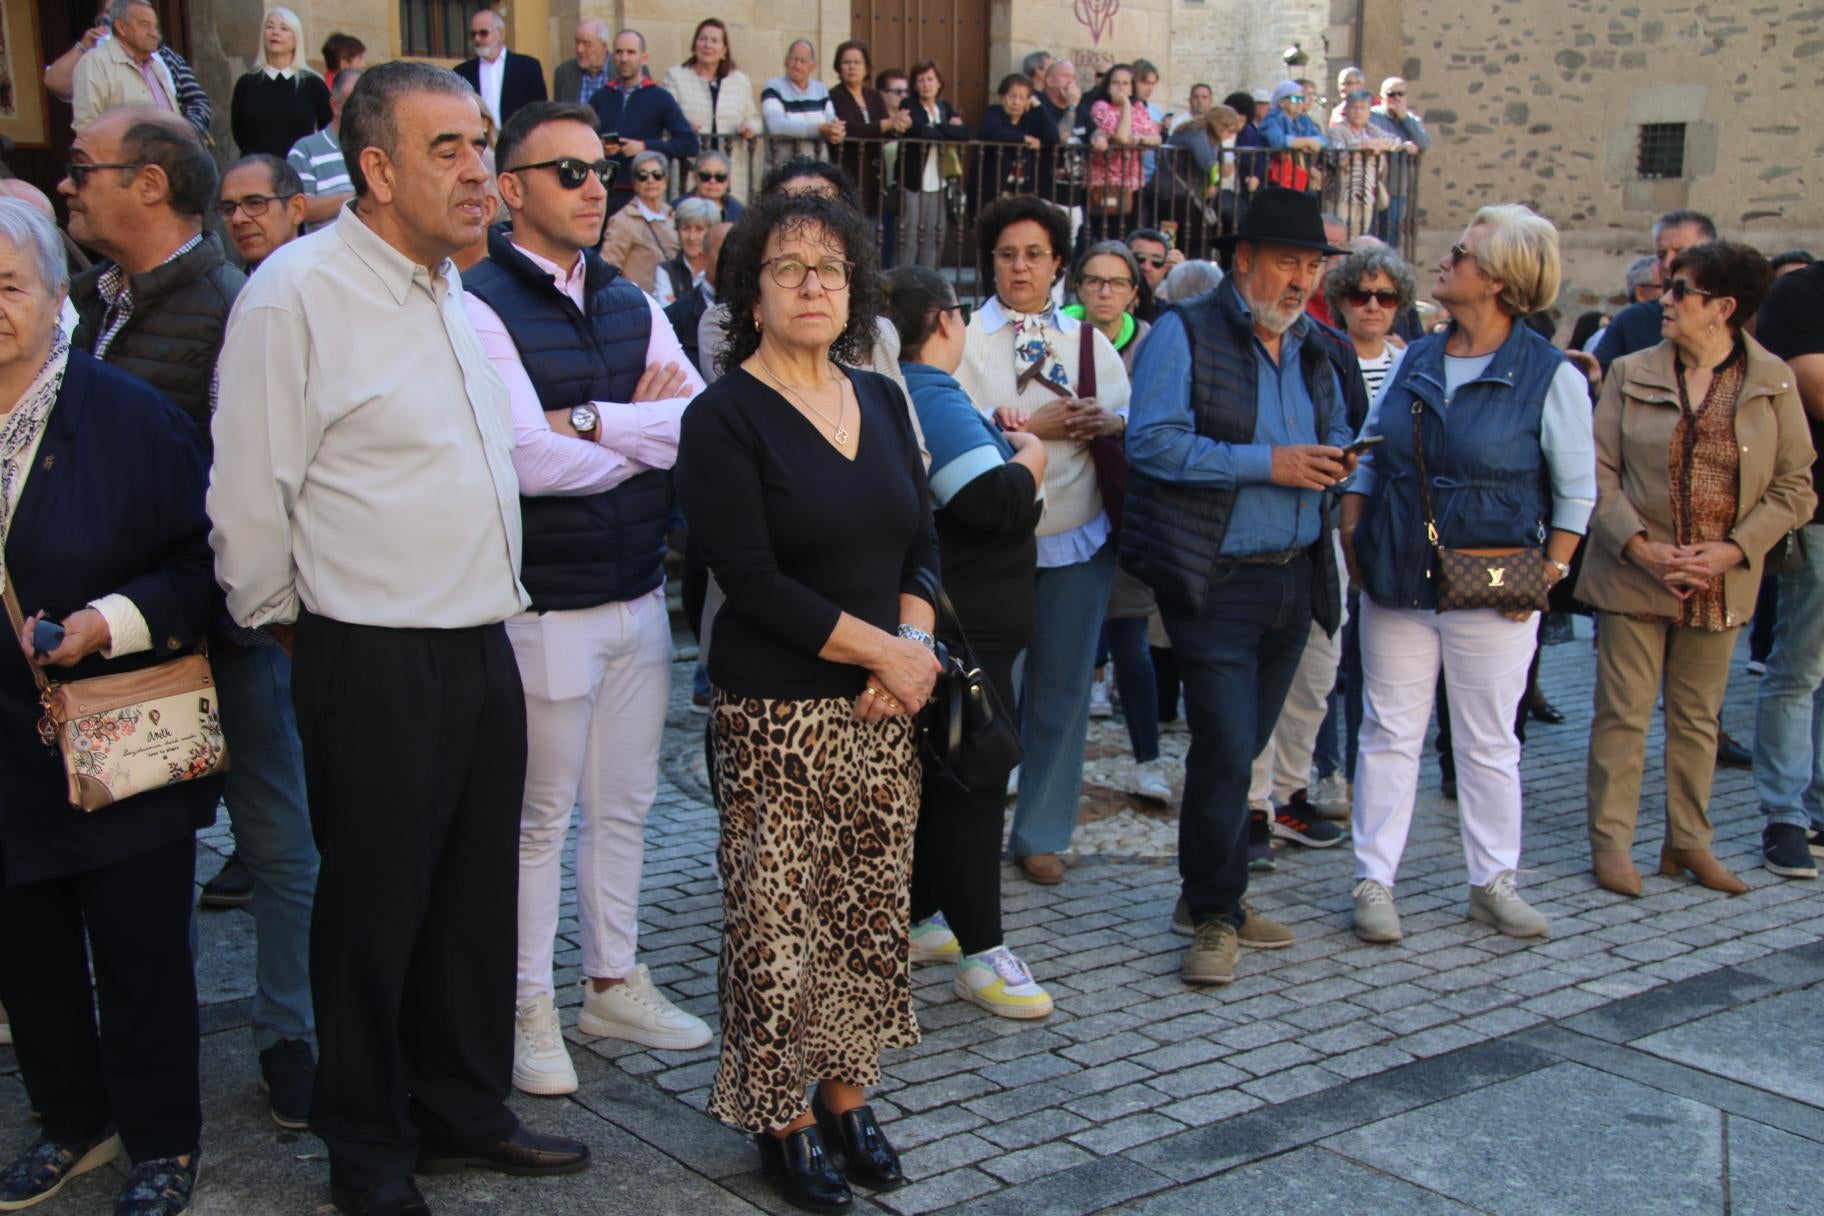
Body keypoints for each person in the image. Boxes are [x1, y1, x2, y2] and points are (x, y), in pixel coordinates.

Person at [209, 62, 591, 1215]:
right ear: (375, 169)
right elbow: (246, 506)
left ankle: (461, 1109)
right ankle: (369, 1152)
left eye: (482, 146)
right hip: (368, 654)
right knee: (373, 916)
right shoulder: (294, 295)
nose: (481, 171)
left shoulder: (455, 300)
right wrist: (295, 631)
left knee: (471, 905)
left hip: (481, 642)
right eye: (450, 151)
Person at [674, 190, 940, 1211]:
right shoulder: (723, 416)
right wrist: (894, 655)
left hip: (883, 709)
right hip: (778, 712)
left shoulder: (876, 397)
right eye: (788, 267)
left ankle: (847, 1092)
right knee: (777, 920)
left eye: (830, 267)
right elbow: (750, 577)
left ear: (857, 286)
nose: (813, 284)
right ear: (752, 291)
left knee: (869, 914)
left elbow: (922, 537)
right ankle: (779, 1116)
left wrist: (909, 647)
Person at [462, 100, 710, 1098]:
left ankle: (612, 978)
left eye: (599, 166)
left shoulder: (628, 296)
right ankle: (526, 1002)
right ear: (511, 189)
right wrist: (631, 439)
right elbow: (524, 459)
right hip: (543, 603)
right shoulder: (476, 301)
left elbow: (695, 420)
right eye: (564, 170)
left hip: (637, 589)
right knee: (539, 816)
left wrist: (597, 419)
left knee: (627, 804)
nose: (592, 184)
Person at [0, 196, 222, 1216]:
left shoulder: (133, 418)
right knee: (26, 952)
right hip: (4, 750)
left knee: (139, 950)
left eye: (8, 286)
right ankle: (70, 1119)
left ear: (60, 297)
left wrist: (104, 621)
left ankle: (163, 1140)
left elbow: (201, 570)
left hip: (114, 728)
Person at [1341, 204, 1596, 944]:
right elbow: (1374, 450)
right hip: (1397, 575)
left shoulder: (1549, 376)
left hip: (1494, 586)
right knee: (1388, 732)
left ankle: (1493, 880)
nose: (1445, 261)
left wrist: (1548, 573)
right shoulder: (1417, 356)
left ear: (1502, 280)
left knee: (1488, 741)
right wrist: (1355, 526)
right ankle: (1373, 881)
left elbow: (1578, 491)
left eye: (1462, 253)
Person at [1122, 187, 1353, 983]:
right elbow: (1152, 444)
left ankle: (1206, 896)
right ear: (1243, 259)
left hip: (1297, 578)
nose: (1301, 280)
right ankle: (1216, 912)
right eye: (1288, 262)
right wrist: (1271, 464)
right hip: (1214, 579)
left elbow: (1337, 429)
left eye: (1314, 266)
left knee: (1242, 748)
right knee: (1223, 749)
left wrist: (1339, 458)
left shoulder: (1318, 345)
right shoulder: (1182, 334)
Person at [1578, 241, 1812, 897]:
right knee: (1622, 716)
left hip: (1720, 580)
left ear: (1723, 308)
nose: (1666, 299)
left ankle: (1687, 844)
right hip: (1633, 572)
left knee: (1697, 720)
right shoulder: (1629, 371)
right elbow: (1596, 474)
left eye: (1681, 289)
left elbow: (1796, 486)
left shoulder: (1772, 380)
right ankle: (1612, 846)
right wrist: (1642, 547)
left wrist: (1734, 550)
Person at [883, 265, 1054, 1017]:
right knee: (974, 781)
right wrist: (1034, 455)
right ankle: (983, 952)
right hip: (967, 632)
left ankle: (923, 918)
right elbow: (992, 504)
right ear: (945, 322)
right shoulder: (928, 388)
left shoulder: (901, 389)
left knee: (944, 781)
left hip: (960, 626)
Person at [958, 195, 1130, 885]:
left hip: (1078, 536)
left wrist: (1104, 422)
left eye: (1034, 254)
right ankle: (973, 822)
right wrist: (1038, 424)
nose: (1020, 267)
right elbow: (947, 422)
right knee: (988, 693)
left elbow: (1126, 415)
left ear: (1059, 262)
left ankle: (1042, 830)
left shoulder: (1088, 340)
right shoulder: (965, 339)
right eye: (1007, 255)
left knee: (1061, 690)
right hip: (994, 542)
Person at [1753, 253, 1824, 878]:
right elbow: (1817, 387)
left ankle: (1821, 806)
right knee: (1800, 668)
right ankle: (1785, 813)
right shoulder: (1805, 294)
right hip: (1821, 514)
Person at [591, 30, 700, 218]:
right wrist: (600, 148)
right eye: (619, 52)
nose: (624, 58)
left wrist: (644, 147)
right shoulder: (600, 97)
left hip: (640, 191)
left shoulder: (660, 97)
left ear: (644, 57)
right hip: (601, 190)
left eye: (631, 52)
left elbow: (689, 143)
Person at [1593, 210, 1717, 373]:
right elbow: (1601, 380)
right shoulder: (1631, 322)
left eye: (1680, 252)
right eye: (1661, 254)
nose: (1667, 263)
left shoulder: (1737, 316)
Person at [662, 19, 761, 200]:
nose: (707, 45)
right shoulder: (676, 77)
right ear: (694, 45)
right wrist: (682, 126)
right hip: (689, 168)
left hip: (730, 171)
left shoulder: (740, 81)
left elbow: (755, 120)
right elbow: (665, 117)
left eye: (715, 41)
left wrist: (749, 127)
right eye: (702, 39)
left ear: (724, 50)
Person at [230, 9, 332, 160]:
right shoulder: (246, 83)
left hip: (299, 171)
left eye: (284, 28)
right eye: (270, 26)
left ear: (296, 38)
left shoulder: (313, 84)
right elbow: (239, 134)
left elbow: (327, 129)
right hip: (255, 170)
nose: (275, 33)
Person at [899, 61, 968, 268]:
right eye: (920, 80)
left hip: (940, 182)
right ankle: (902, 286)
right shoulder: (908, 105)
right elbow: (920, 131)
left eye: (930, 79)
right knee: (909, 237)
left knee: (934, 236)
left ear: (939, 83)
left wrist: (935, 128)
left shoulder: (945, 108)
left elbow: (963, 133)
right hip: (913, 181)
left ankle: (927, 287)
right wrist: (946, 129)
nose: (925, 84)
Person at [70, 0, 178, 131]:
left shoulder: (156, 66)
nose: (154, 33)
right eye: (145, 25)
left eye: (155, 26)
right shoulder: (95, 63)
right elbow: (87, 128)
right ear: (121, 27)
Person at [828, 40, 904, 218]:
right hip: (849, 168)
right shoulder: (834, 95)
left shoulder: (874, 95)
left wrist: (899, 125)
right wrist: (887, 124)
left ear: (866, 67)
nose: (852, 67)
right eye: (846, 62)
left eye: (857, 62)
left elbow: (884, 130)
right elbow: (850, 128)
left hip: (874, 172)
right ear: (839, 68)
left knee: (873, 232)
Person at [1084, 65, 1159, 243]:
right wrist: (1125, 105)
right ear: (1108, 86)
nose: (1121, 88)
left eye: (1125, 83)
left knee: (1130, 238)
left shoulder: (1139, 108)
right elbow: (1122, 137)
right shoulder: (1100, 107)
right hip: (1105, 185)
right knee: (1108, 238)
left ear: (1132, 87)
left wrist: (1141, 138)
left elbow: (1156, 137)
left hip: (1132, 184)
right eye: (1116, 83)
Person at [286, 66, 360, 229]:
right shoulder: (305, 150)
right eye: (352, 103)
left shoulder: (380, 148)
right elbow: (300, 209)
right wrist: (359, 197)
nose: (361, 110)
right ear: (335, 106)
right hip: (326, 252)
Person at [599, 150, 680, 295]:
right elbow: (608, 270)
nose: (651, 180)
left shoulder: (673, 215)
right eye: (643, 176)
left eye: (657, 175)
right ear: (635, 183)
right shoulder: (622, 220)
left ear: (665, 181)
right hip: (641, 305)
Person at [455, 7, 547, 128]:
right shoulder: (462, 72)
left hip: (516, 140)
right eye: (473, 34)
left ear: (501, 33)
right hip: (480, 141)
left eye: (483, 33)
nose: (477, 39)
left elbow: (540, 110)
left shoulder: (528, 67)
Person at [762, 40, 844, 168]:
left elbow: (831, 120)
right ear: (786, 61)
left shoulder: (821, 89)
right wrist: (819, 129)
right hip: (783, 170)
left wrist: (836, 130)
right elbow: (776, 126)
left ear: (813, 66)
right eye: (794, 59)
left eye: (803, 61)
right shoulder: (773, 87)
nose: (797, 65)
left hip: (818, 169)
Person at [978, 73, 1058, 205]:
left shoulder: (1029, 120)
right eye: (1012, 96)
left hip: (1023, 192)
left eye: (1022, 98)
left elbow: (1053, 137)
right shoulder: (994, 113)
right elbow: (990, 131)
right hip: (995, 191)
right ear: (1002, 97)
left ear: (1028, 101)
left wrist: (1038, 106)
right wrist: (1023, 139)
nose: (1016, 102)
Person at [219, 153, 307, 270]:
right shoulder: (226, 287)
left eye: (254, 203)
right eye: (228, 209)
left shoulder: (329, 283)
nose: (237, 219)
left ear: (297, 210)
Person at [1327, 88, 1397, 233]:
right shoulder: (1337, 131)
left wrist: (1376, 144)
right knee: (1340, 235)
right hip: (1343, 195)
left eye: (1363, 108)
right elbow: (1339, 158)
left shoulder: (1372, 130)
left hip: (1367, 194)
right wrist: (1364, 146)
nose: (1359, 112)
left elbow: (1394, 141)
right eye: (1355, 107)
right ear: (1347, 109)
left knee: (1360, 237)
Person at [1258, 80, 1326, 193]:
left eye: (1301, 99)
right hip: (1274, 177)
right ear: (1282, 102)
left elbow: (1323, 140)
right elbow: (1277, 141)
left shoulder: (1303, 119)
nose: (1300, 103)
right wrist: (1306, 142)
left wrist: (1304, 143)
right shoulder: (1272, 119)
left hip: (1297, 176)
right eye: (1296, 99)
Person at [656, 195, 718, 306]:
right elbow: (666, 314)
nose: (692, 237)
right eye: (685, 229)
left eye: (699, 229)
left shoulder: (718, 271)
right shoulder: (666, 271)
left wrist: (679, 304)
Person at [676, 148, 745, 222]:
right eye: (705, 176)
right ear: (695, 177)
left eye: (720, 177)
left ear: (728, 180)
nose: (712, 181)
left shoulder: (739, 212)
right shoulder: (677, 209)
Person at [553, 19, 612, 107]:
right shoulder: (564, 72)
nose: (579, 50)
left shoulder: (621, 70)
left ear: (604, 46)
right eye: (577, 42)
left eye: (587, 44)